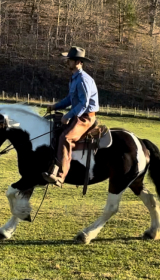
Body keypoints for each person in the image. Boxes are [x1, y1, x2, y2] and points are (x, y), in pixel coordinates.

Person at [42, 46, 99, 187]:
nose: (67, 62)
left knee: (65, 137)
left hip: (85, 117)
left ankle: (61, 176)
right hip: (78, 114)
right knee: (55, 132)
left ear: (78, 62)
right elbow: (70, 99)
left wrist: (68, 115)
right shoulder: (74, 78)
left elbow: (83, 103)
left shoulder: (83, 80)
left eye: (70, 60)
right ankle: (53, 166)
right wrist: (55, 106)